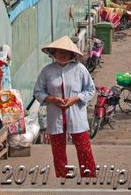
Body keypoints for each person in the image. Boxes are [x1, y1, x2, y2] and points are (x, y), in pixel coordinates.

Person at [33, 36, 96, 178]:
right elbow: (37, 92)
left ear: (71, 54)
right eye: (58, 52)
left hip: (76, 116)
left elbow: (90, 90)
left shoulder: (80, 69)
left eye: (65, 52)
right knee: (58, 152)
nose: (61, 55)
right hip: (55, 117)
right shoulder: (46, 71)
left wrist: (75, 99)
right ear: (53, 53)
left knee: (84, 149)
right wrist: (50, 99)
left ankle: (89, 178)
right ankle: (63, 179)